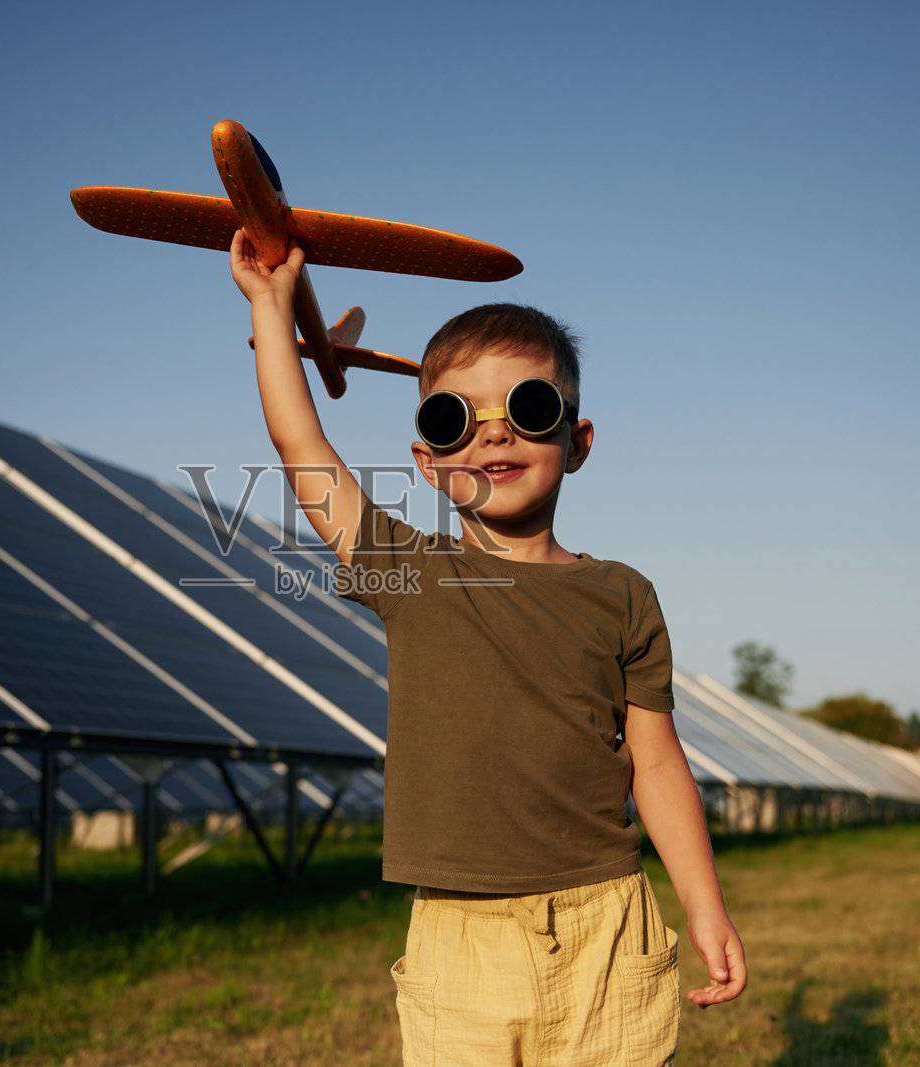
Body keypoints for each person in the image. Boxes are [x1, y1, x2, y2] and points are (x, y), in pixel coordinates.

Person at [230, 231, 746, 1066]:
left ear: (576, 441)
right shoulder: (409, 569)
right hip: (460, 935)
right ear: (428, 462)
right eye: (455, 418)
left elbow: (655, 764)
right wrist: (268, 306)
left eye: (531, 410)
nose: (494, 436)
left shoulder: (623, 593)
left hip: (608, 922)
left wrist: (704, 905)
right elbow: (303, 451)